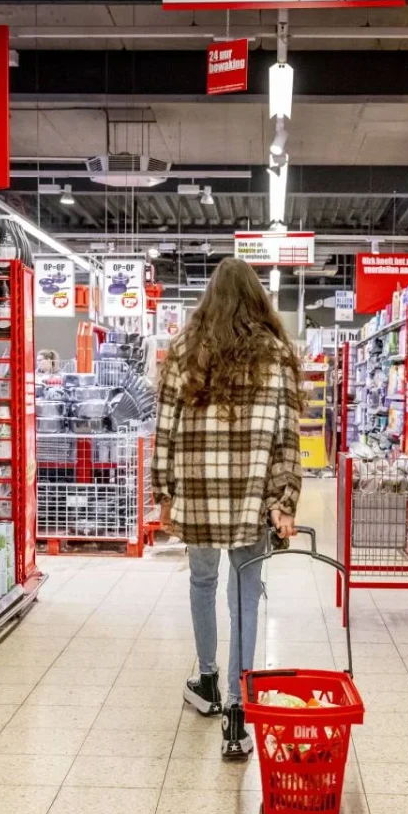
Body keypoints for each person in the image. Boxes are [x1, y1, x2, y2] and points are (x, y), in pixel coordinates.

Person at [150, 257, 302, 757]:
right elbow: (286, 438)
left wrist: (164, 493)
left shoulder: (184, 352)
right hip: (251, 498)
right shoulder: (277, 355)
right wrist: (284, 501)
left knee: (202, 581)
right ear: (258, 300)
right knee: (245, 592)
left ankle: (209, 681)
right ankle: (239, 708)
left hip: (198, 494)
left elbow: (165, 431)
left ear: (209, 300)